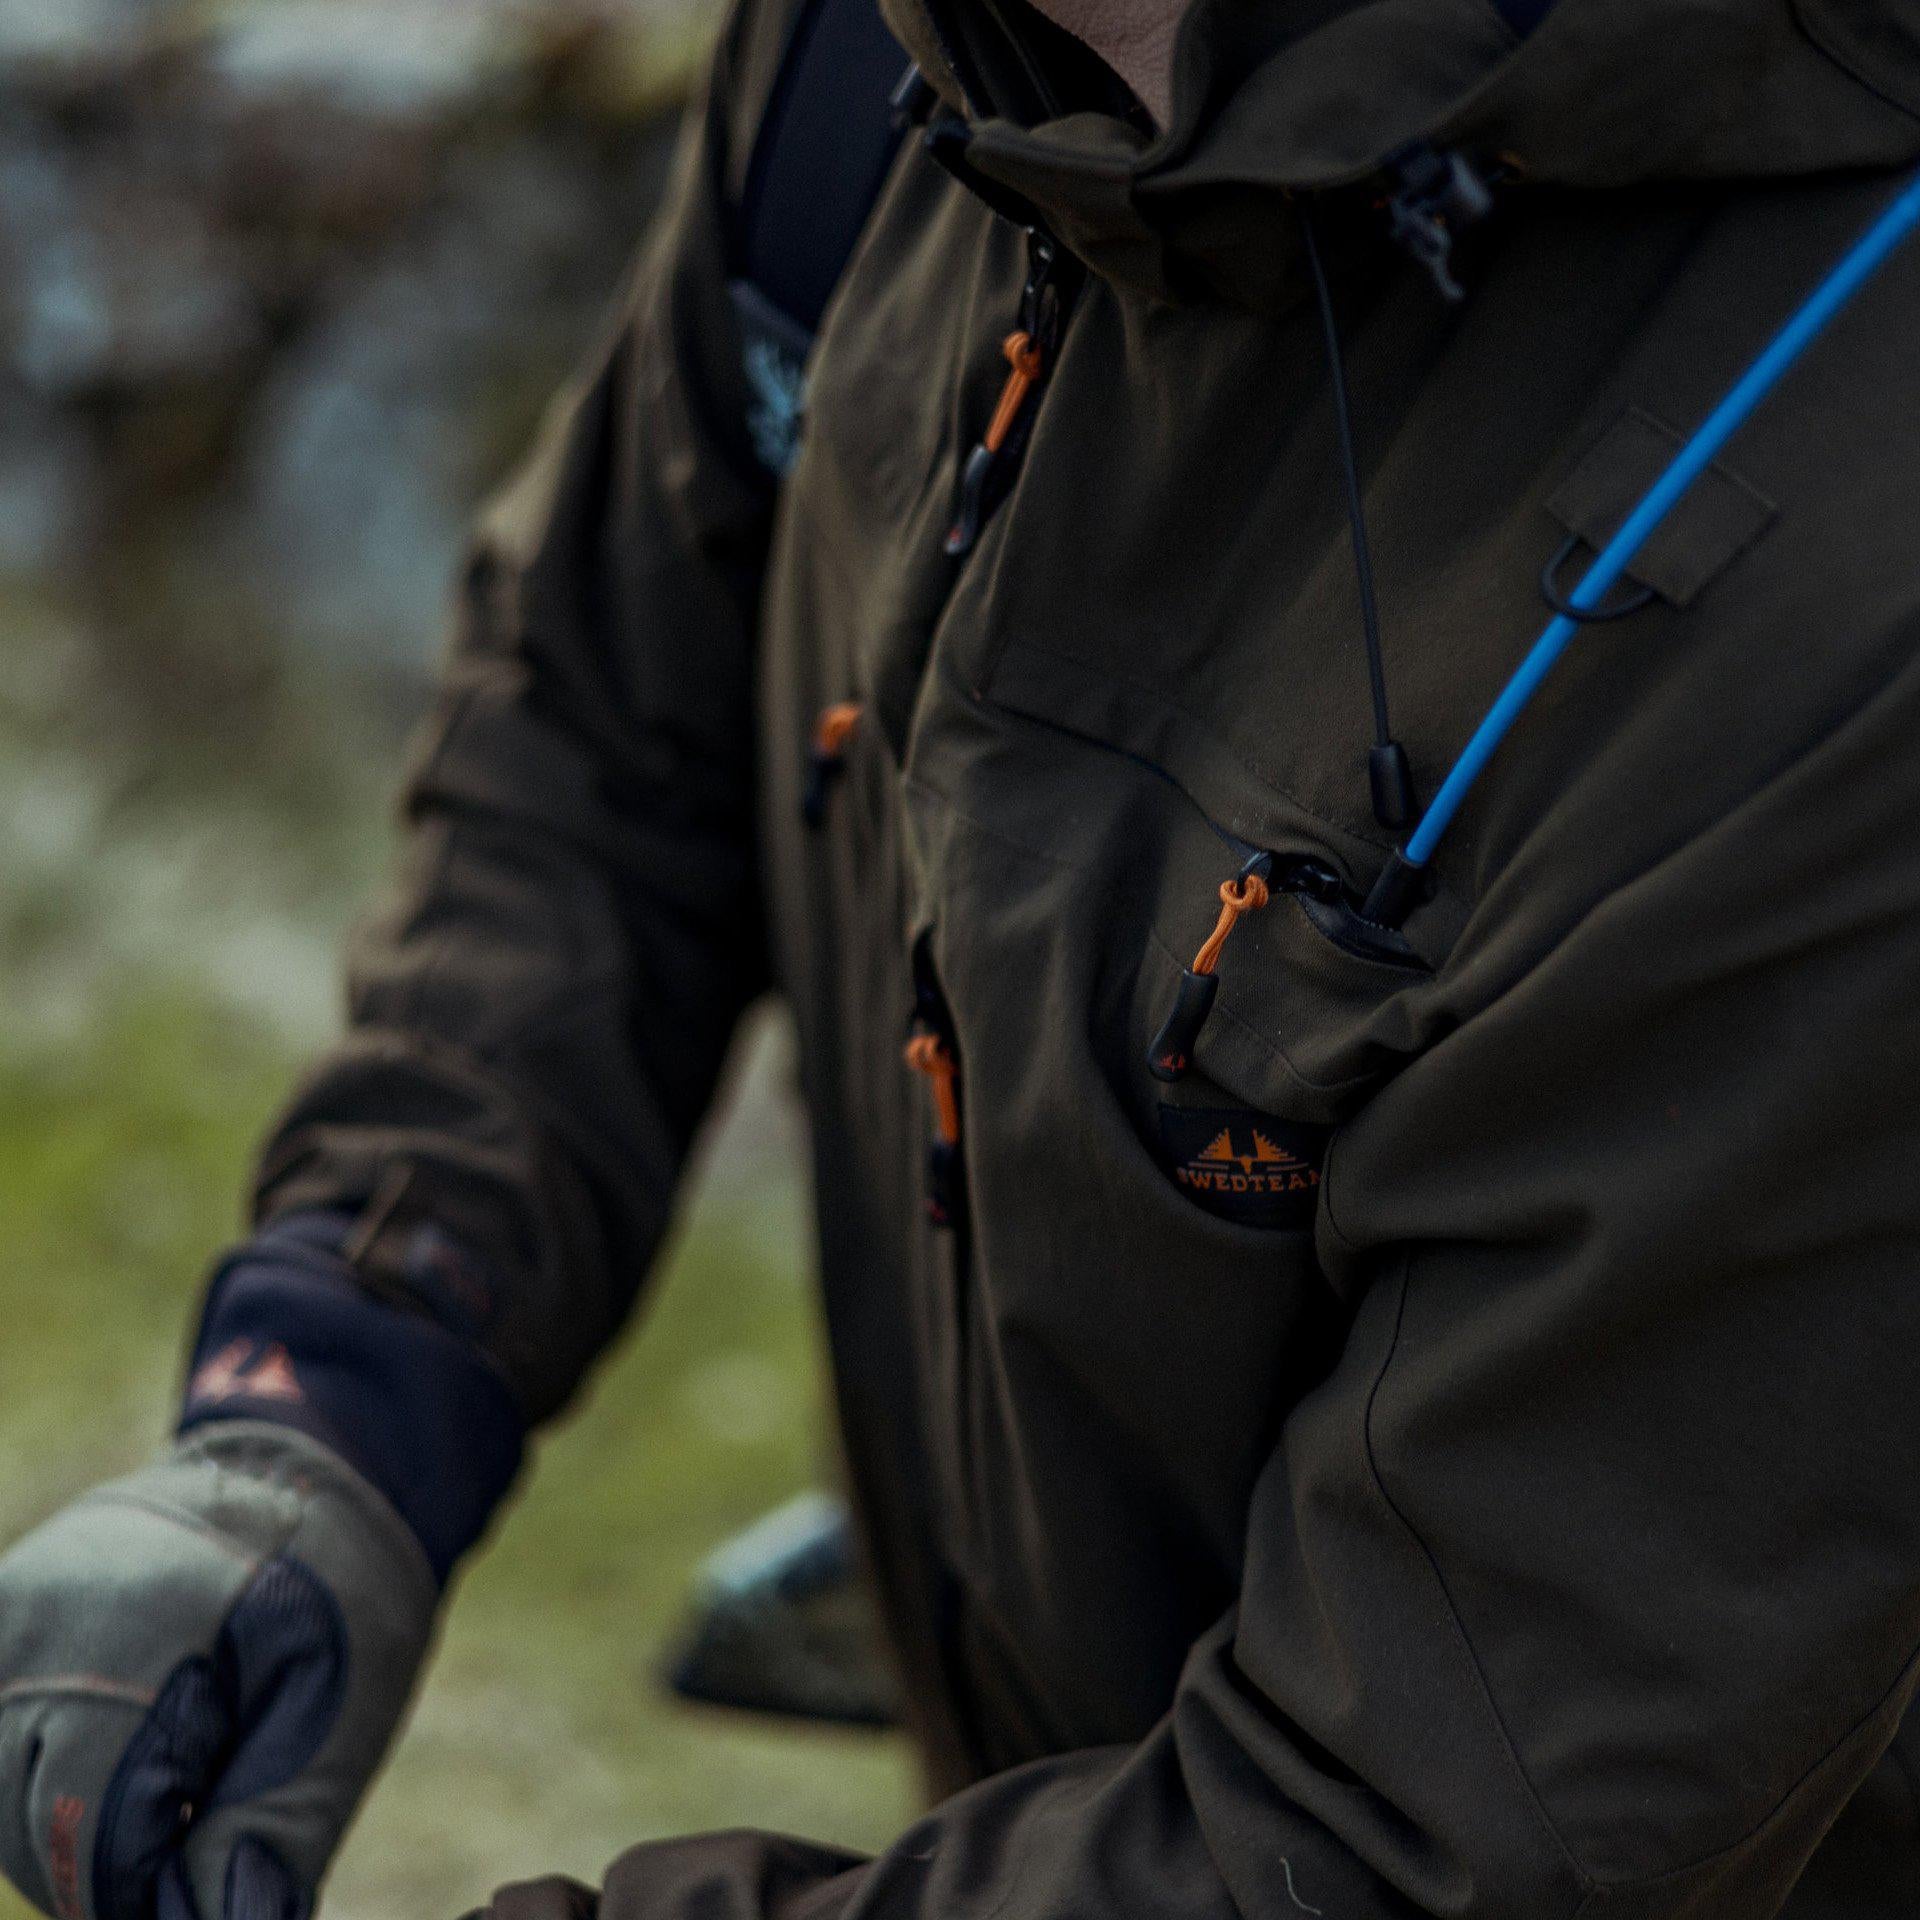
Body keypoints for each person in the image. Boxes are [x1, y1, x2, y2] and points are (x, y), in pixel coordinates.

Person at [5, 0, 1920, 1916]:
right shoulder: (893, 58)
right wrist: (336, 1386)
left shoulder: (1841, 568)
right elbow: (614, 709)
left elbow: (1404, 1847)